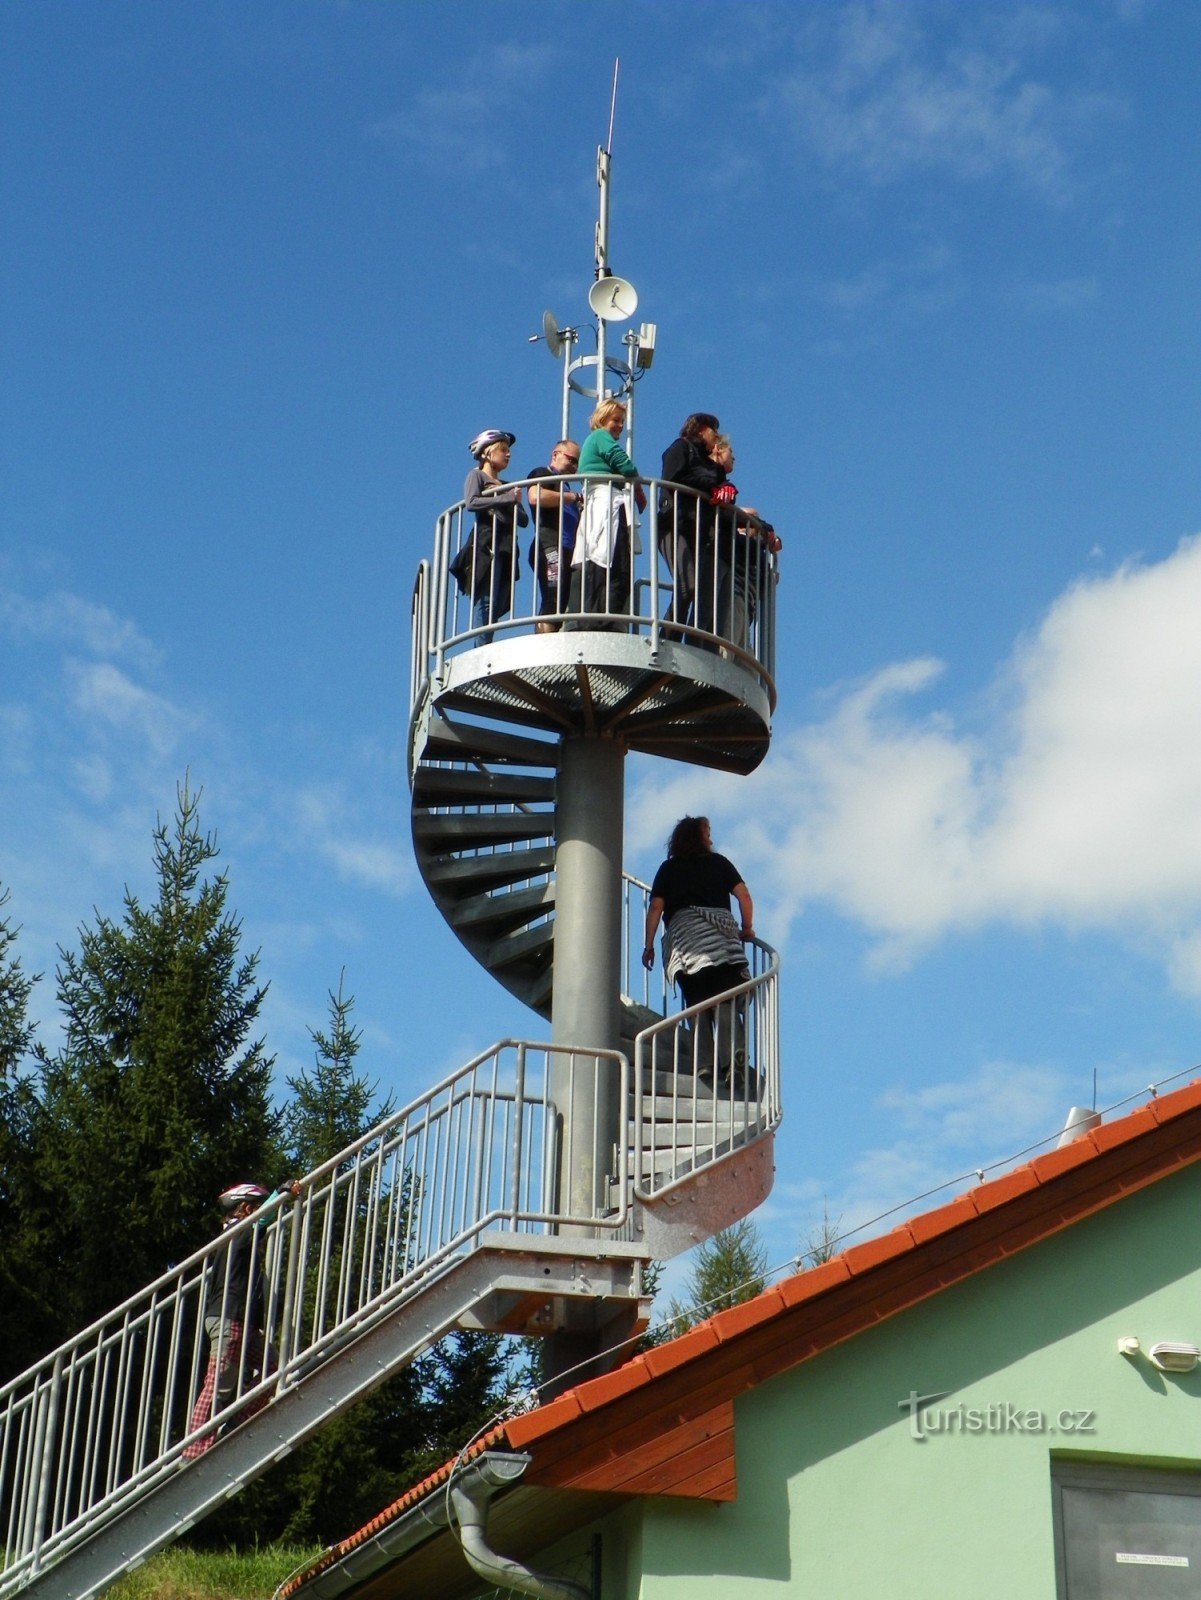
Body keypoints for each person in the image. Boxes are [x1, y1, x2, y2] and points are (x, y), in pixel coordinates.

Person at [182, 1179, 300, 1460]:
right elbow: (261, 1221)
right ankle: (193, 1452)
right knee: (219, 1384)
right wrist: (283, 1194)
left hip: (241, 1323)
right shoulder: (238, 1231)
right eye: (255, 1208)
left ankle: (235, 1425)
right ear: (245, 1209)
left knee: (276, 1369)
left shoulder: (233, 1236)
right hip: (229, 1319)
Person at [641, 816, 754, 1085]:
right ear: (698, 836)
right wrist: (747, 928)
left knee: (698, 1005)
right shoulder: (720, 863)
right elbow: (744, 896)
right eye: (707, 833)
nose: (711, 839)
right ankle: (732, 1058)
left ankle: (704, 1064)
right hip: (722, 944)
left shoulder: (667, 870)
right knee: (725, 999)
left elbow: (656, 908)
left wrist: (648, 946)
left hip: (686, 945)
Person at [567, 400, 646, 629]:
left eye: (622, 421)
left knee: (607, 563)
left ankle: (600, 620)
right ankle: (602, 622)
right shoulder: (601, 436)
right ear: (602, 419)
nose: (620, 425)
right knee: (612, 564)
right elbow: (624, 464)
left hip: (604, 502)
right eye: (615, 420)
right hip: (606, 503)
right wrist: (637, 485)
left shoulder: (598, 439)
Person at [453, 429, 530, 644]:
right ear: (487, 453)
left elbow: (523, 520)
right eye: (503, 450)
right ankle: (481, 648)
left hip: (506, 544)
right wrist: (504, 498)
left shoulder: (507, 485)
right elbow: (472, 502)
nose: (508, 454)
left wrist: (509, 497)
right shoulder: (476, 475)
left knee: (499, 600)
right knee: (485, 600)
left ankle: (487, 643)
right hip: (487, 543)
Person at [708, 434, 782, 653]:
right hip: (735, 593)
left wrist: (765, 533)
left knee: (740, 650)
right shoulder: (710, 481)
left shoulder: (751, 553)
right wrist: (755, 524)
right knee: (730, 646)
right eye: (732, 453)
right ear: (719, 451)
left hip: (745, 599)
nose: (734, 458)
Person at [659, 413, 724, 635]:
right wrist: (709, 486)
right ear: (700, 430)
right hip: (674, 525)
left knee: (690, 590)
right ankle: (667, 639)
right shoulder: (681, 447)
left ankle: (671, 639)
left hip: (699, 530)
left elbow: (721, 488)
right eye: (713, 431)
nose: (717, 436)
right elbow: (672, 478)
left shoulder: (712, 465)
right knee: (688, 586)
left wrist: (726, 492)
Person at [526, 439, 581, 632]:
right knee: (552, 598)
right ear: (555, 455)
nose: (575, 466)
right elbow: (535, 496)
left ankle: (551, 649)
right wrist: (572, 497)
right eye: (571, 459)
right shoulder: (544, 473)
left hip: (566, 550)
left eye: (577, 463)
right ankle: (543, 652)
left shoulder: (565, 485)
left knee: (561, 604)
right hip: (549, 545)